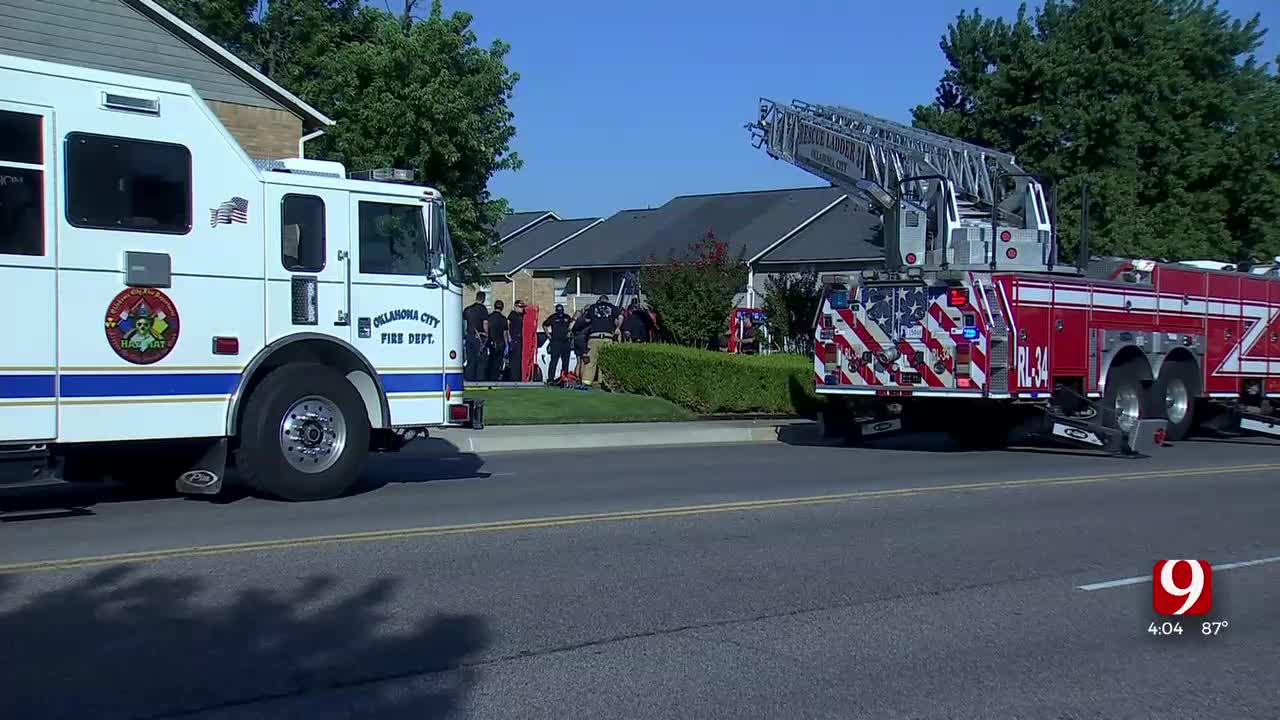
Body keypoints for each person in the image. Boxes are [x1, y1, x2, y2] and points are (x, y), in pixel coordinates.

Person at [580, 294, 621, 386]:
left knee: (590, 361)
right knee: (606, 361)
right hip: (607, 337)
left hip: (594, 337)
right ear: (607, 300)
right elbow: (620, 317)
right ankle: (603, 382)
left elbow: (586, 320)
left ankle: (586, 382)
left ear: (599, 300)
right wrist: (617, 328)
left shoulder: (593, 307)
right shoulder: (613, 307)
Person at [543, 303, 573, 382]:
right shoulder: (553, 317)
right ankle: (551, 378)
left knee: (566, 361)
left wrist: (569, 332)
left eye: (561, 311)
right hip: (556, 341)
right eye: (559, 311)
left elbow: (571, 324)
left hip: (565, 341)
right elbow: (545, 325)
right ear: (556, 311)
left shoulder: (567, 317)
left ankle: (564, 377)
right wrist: (548, 335)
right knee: (554, 360)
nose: (560, 313)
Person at [462, 291, 488, 382]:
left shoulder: (467, 309)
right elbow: (485, 323)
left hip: (469, 336)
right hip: (479, 337)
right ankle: (479, 380)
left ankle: (469, 379)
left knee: (470, 359)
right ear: (483, 299)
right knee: (481, 361)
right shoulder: (483, 309)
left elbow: (464, 323)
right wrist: (486, 333)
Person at [485, 300, 509, 382]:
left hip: (490, 343)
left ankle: (489, 378)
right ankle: (495, 379)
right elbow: (505, 333)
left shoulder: (489, 317)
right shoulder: (503, 319)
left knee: (490, 362)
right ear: (502, 308)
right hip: (500, 344)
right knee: (498, 363)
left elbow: (486, 330)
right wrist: (507, 345)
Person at [506, 300, 527, 381]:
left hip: (521, 339)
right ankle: (514, 378)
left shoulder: (522, 316)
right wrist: (509, 339)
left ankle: (519, 377)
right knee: (515, 360)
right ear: (516, 307)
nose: (522, 309)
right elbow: (507, 326)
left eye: (523, 307)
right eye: (520, 307)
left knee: (520, 360)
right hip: (514, 340)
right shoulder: (512, 315)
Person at [571, 309, 590, 375]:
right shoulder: (585, 320)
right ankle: (582, 377)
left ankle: (577, 377)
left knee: (578, 362)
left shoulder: (575, 322)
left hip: (576, 341)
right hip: (583, 341)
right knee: (583, 362)